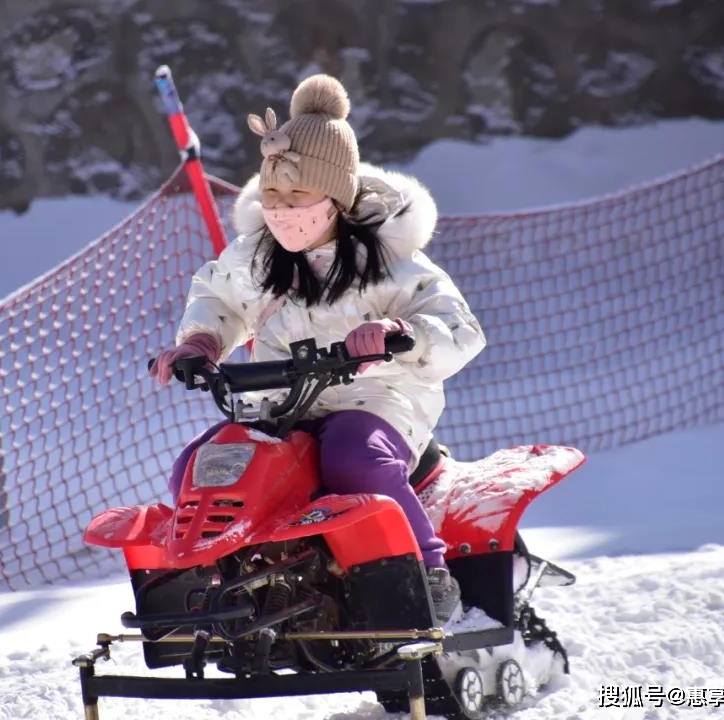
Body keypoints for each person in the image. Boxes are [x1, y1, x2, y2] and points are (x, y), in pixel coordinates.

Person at [149, 74, 486, 623]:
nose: (281, 209)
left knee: (352, 456)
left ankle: (425, 575)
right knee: (204, 462)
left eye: (296, 196)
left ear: (335, 195)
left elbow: (457, 326)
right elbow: (219, 297)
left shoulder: (389, 260)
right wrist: (202, 341)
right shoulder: (257, 255)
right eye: (272, 196)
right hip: (282, 403)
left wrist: (401, 335)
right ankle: (219, 585)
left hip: (379, 400)